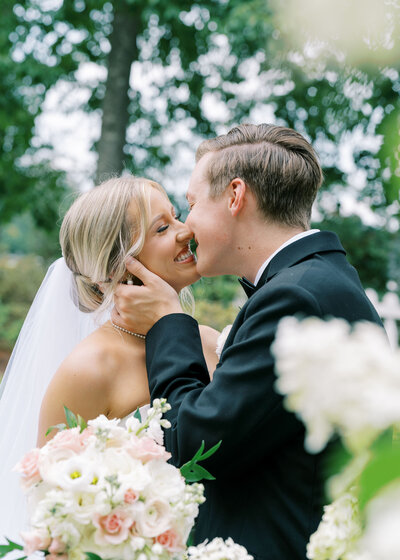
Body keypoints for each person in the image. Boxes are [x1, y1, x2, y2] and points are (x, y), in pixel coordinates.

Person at [112, 124, 383, 560]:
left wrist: (167, 321)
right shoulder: (314, 282)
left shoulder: (295, 298)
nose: (187, 226)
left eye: (192, 204)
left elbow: (195, 444)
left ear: (235, 196)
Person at [0, 176, 219, 540]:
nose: (185, 231)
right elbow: (56, 513)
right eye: (163, 228)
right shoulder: (89, 370)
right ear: (119, 264)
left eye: (176, 217)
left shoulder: (210, 343)